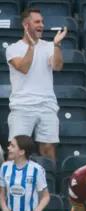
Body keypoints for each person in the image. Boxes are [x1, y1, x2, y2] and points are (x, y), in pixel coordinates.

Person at [6, 8, 67, 162]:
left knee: (48, 149)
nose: (42, 25)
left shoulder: (48, 46)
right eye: (37, 22)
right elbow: (23, 67)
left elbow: (57, 66)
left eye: (42, 22)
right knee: (17, 150)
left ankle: (47, 184)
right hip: (22, 106)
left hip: (47, 104)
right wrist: (32, 46)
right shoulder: (12, 48)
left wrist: (57, 45)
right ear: (26, 25)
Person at [0, 135, 50, 211]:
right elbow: (1, 194)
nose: (8, 148)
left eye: (12, 146)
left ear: (21, 152)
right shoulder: (4, 167)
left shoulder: (36, 169)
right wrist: (5, 210)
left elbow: (46, 196)